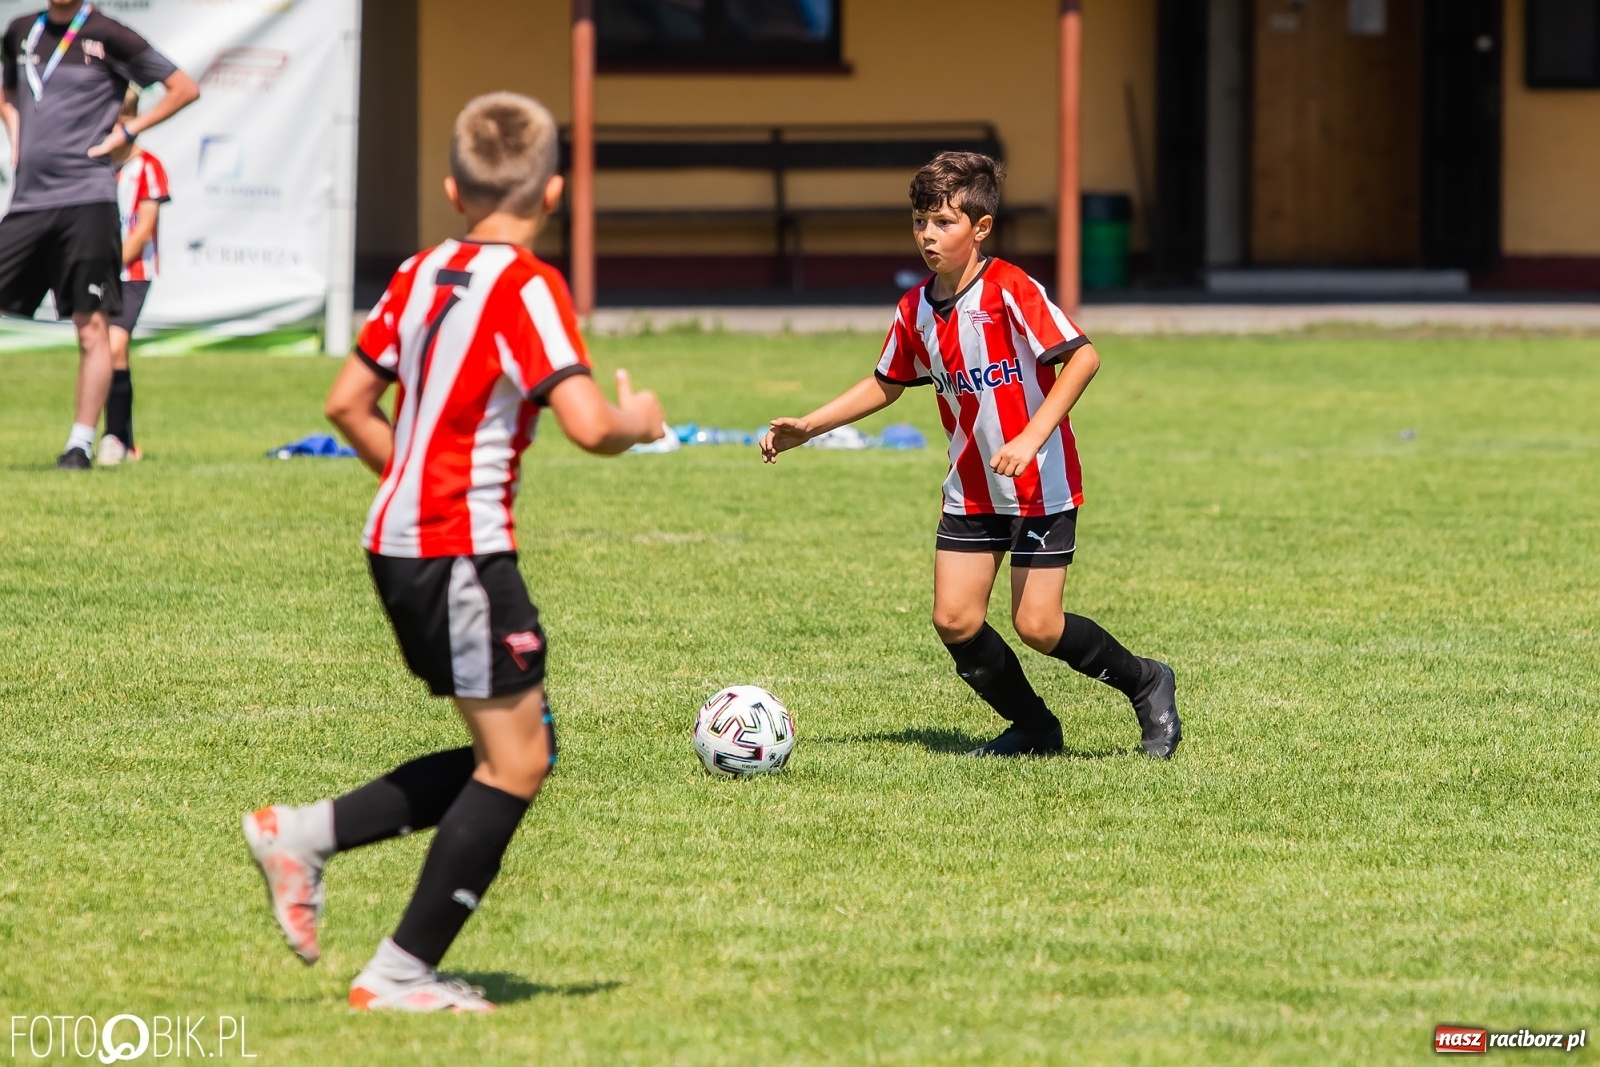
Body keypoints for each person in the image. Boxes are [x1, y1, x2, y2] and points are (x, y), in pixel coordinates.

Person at [241, 92, 666, 1013]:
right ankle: (395, 971)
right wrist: (639, 420)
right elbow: (591, 426)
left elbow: (347, 401)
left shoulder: (422, 267)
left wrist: (411, 480)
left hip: (402, 540)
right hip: (458, 549)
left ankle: (303, 835)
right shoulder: (529, 285)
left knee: (517, 748)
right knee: (517, 762)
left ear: (451, 187)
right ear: (555, 189)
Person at [760, 152, 1181, 760]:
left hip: (1040, 484)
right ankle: (1036, 728)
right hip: (972, 487)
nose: (928, 236)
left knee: (1038, 625)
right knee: (955, 619)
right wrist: (810, 425)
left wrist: (1032, 435)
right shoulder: (914, 310)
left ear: (980, 228)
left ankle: (1147, 681)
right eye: (919, 222)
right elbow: (887, 381)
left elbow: (1081, 357)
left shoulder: (1010, 288)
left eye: (943, 223)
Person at [0, 0, 198, 469]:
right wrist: (15, 135)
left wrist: (127, 132)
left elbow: (183, 88)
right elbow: (7, 91)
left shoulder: (110, 33)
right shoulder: (20, 31)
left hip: (87, 200)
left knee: (92, 327)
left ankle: (80, 445)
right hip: (29, 200)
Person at [99, 87, 168, 464]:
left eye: (125, 120)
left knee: (115, 346)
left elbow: (141, 232)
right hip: (96, 272)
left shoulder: (150, 168)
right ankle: (123, 441)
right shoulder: (93, 164)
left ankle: (114, 437)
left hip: (132, 274)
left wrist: (111, 265)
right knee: (102, 353)